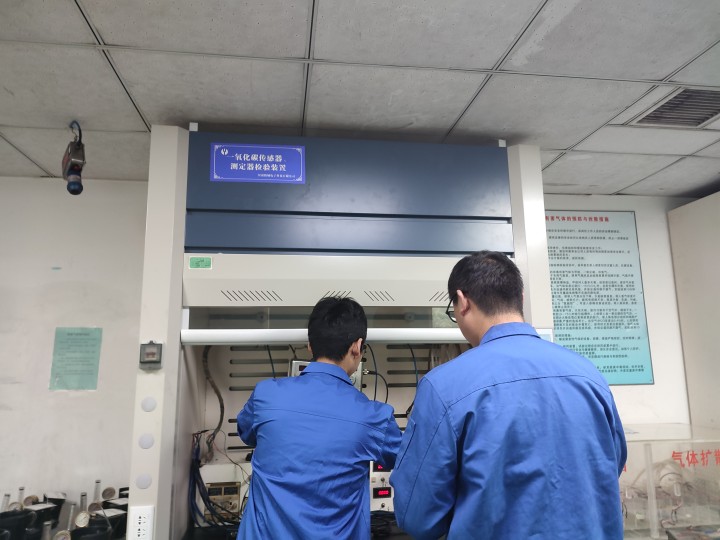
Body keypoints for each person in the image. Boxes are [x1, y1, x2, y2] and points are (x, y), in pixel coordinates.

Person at [390, 251, 627, 540]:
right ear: (521, 298)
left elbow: (417, 517)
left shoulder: (443, 386)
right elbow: (610, 466)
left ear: (463, 302)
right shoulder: (589, 375)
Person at [236, 296, 402, 539]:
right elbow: (409, 461)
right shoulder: (375, 417)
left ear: (310, 346)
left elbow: (245, 432)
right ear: (357, 347)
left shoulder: (265, 395)